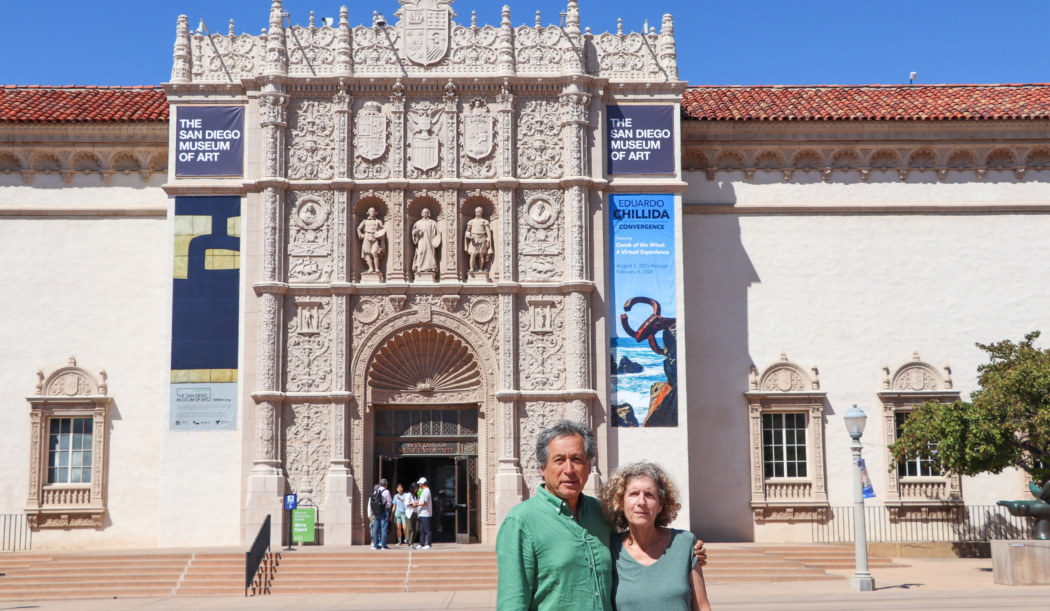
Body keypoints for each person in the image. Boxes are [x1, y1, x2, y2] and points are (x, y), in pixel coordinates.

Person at [496, 420, 706, 611]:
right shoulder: (521, 522)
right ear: (542, 468)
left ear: (589, 468)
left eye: (577, 459)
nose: (569, 469)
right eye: (559, 460)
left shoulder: (601, 514)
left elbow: (634, 545)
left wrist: (686, 551)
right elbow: (512, 603)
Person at [601, 462, 712, 611]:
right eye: (633, 494)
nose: (641, 502)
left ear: (661, 504)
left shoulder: (685, 543)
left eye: (649, 495)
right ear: (621, 503)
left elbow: (702, 606)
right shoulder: (610, 548)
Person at [357, 207, 386, 274]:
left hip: (375, 237)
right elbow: (359, 228)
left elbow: (383, 230)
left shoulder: (378, 221)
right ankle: (370, 268)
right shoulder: (365, 221)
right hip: (367, 236)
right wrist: (361, 234)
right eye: (371, 211)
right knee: (368, 253)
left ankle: (377, 268)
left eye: (373, 211)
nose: (372, 212)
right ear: (368, 213)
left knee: (374, 252)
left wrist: (380, 235)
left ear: (375, 213)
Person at [411, 208, 441, 275]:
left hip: (430, 241)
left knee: (430, 254)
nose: (425, 213)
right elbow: (413, 233)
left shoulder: (433, 222)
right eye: (423, 212)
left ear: (428, 214)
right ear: (422, 213)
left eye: (426, 212)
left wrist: (436, 240)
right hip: (421, 240)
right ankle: (419, 267)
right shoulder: (418, 223)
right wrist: (415, 232)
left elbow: (438, 233)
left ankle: (431, 268)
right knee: (420, 252)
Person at [464, 206, 493, 272]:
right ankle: (471, 268)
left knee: (481, 254)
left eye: (478, 212)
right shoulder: (471, 222)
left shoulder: (484, 221)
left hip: (482, 238)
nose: (477, 213)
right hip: (473, 239)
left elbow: (488, 232)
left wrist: (488, 239)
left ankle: (480, 269)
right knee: (473, 254)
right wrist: (468, 235)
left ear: (481, 212)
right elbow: (468, 231)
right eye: (476, 212)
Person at [370, 478, 393, 550]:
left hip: (377, 511)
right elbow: (389, 501)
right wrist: (388, 507)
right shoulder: (386, 491)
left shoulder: (376, 491)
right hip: (384, 511)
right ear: (386, 485)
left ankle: (375, 544)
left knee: (376, 528)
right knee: (384, 528)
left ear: (380, 484)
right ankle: (383, 545)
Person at [416, 476, 433, 549]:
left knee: (427, 529)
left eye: (420, 483)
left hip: (426, 513)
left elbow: (425, 503)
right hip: (422, 513)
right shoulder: (424, 491)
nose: (419, 485)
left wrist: (417, 504)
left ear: (422, 484)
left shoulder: (426, 491)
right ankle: (421, 543)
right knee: (422, 530)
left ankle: (428, 544)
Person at [405, 482, 419, 547]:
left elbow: (418, 502)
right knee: (410, 528)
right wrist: (413, 504)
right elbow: (407, 503)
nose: (416, 489)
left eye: (417, 488)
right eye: (415, 488)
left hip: (415, 512)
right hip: (409, 513)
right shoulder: (408, 495)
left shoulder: (416, 496)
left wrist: (415, 504)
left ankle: (408, 539)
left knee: (416, 529)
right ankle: (410, 543)